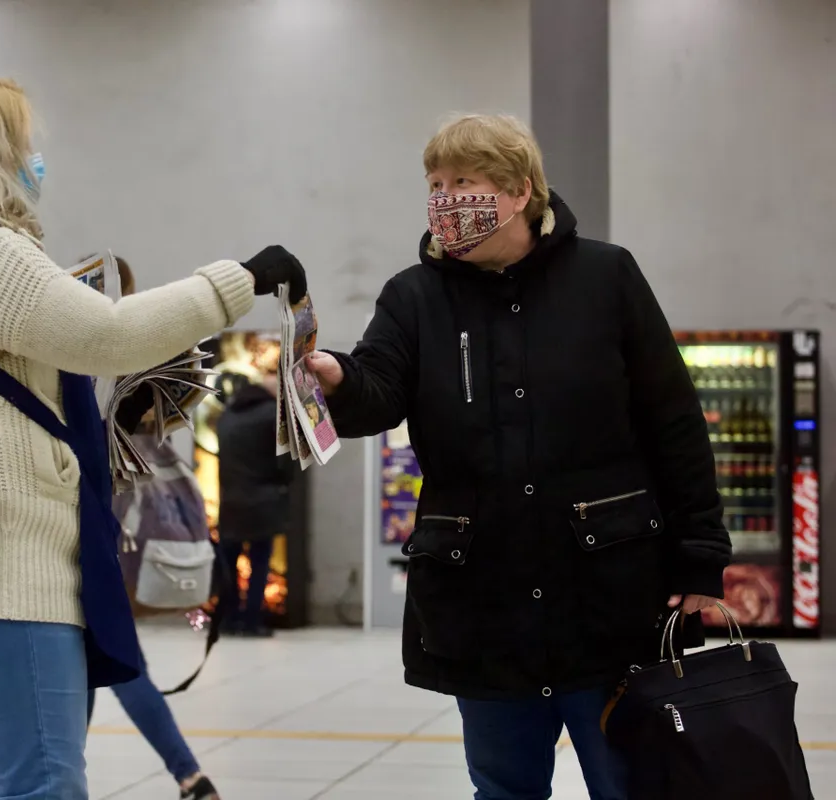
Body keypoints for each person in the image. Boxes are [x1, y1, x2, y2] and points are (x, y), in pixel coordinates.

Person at [0, 77, 306, 800]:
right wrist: (239, 281)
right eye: (24, 142)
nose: (35, 157)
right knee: (45, 786)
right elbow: (110, 335)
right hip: (6, 574)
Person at [307, 114, 730, 800]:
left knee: (632, 785)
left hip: (610, 596)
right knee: (504, 789)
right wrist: (337, 378)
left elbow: (674, 421)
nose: (445, 200)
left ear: (520, 190)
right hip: (483, 602)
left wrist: (702, 552)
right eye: (435, 184)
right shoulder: (414, 295)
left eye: (463, 182)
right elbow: (377, 392)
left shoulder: (606, 277)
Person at [85, 255, 222, 800]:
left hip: (94, 550)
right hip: (124, 551)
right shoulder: (144, 366)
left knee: (104, 663)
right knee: (109, 662)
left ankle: (61, 778)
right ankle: (189, 776)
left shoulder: (87, 371)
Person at [215, 371, 294, 637]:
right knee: (260, 563)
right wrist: (283, 483)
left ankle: (228, 619)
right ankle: (252, 621)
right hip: (263, 500)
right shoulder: (273, 415)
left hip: (230, 500)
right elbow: (285, 462)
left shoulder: (228, 414)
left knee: (229, 562)